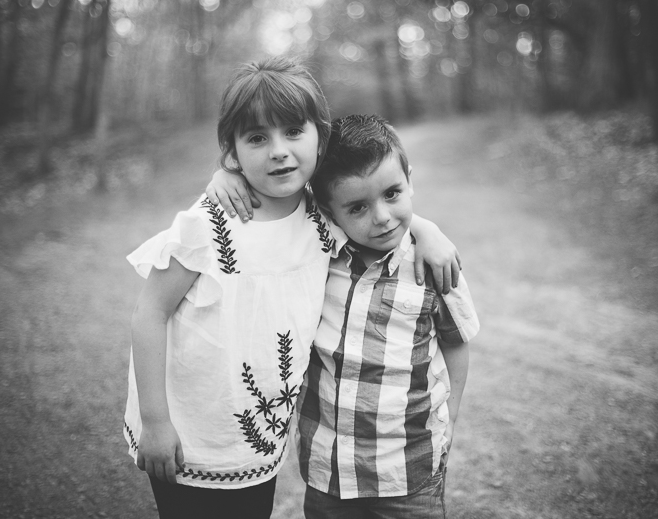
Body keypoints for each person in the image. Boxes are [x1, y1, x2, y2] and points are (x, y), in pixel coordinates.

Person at [124, 57, 460, 519]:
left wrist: (426, 229)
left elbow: (371, 210)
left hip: (257, 438)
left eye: (294, 132)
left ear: (321, 136)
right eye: (257, 138)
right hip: (187, 428)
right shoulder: (211, 221)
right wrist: (155, 421)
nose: (279, 151)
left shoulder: (321, 217)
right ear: (232, 150)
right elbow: (150, 313)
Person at [207, 114, 479, 518]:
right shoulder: (318, 254)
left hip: (408, 468)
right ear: (329, 212)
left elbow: (456, 342)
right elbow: (273, 190)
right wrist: (225, 175)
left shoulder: (434, 266)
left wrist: (450, 417)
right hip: (328, 467)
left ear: (409, 181)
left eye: (392, 194)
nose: (381, 217)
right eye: (358, 208)